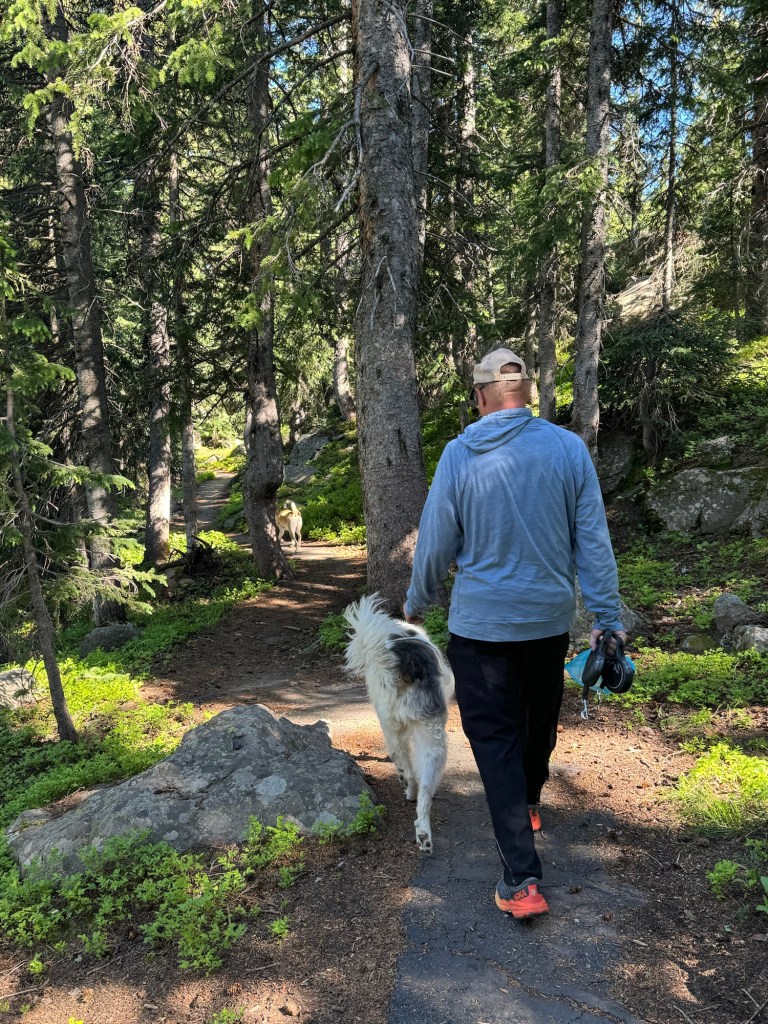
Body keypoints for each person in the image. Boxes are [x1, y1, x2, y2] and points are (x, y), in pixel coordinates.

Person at [403, 347, 626, 920]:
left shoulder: (459, 454)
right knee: (537, 719)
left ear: (481, 397)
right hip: (547, 622)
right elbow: (592, 540)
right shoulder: (567, 449)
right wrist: (606, 618)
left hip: (481, 627)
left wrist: (416, 603)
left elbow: (435, 540)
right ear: (526, 394)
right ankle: (527, 801)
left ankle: (521, 879)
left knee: (496, 739)